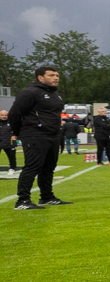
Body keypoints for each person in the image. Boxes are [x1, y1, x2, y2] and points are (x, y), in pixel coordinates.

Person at [9, 65, 70, 209]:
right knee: (32, 167)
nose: (56, 78)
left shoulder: (55, 94)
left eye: (57, 75)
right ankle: (22, 201)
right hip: (35, 134)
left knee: (49, 168)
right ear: (40, 78)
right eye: (51, 75)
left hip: (53, 135)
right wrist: (17, 132)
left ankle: (46, 197)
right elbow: (14, 114)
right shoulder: (30, 92)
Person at [0, 108, 18, 176]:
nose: (4, 116)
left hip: (9, 143)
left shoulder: (12, 122)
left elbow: (17, 130)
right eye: (2, 115)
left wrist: (15, 135)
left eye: (5, 115)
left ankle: (12, 168)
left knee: (12, 157)